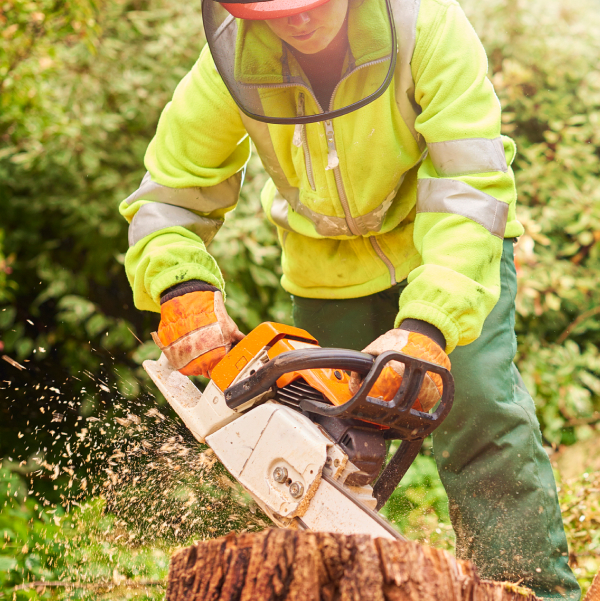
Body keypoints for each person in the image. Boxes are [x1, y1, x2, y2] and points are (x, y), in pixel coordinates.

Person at [119, 0, 580, 597]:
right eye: (276, 9)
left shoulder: (427, 26)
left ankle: (530, 588)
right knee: (322, 444)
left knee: (479, 409)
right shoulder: (232, 56)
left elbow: (471, 187)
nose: (298, 20)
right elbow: (168, 195)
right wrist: (181, 285)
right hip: (326, 268)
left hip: (443, 253)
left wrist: (430, 325)